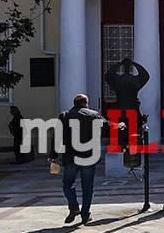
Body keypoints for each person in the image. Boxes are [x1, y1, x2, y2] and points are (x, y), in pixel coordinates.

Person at [49, 94, 125, 225]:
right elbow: (107, 125)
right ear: (86, 103)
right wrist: (119, 125)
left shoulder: (64, 116)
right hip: (89, 157)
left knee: (68, 183)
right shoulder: (93, 115)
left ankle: (73, 207)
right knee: (88, 186)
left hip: (70, 157)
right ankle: (86, 214)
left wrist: (53, 154)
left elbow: (57, 136)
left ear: (74, 103)